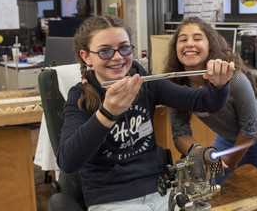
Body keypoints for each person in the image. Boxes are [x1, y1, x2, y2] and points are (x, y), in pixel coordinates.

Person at [56, 15, 235, 211]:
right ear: (86, 56)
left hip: (161, 192)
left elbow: (207, 102)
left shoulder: (145, 82)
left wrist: (219, 84)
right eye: (105, 51)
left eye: (124, 47)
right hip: (111, 200)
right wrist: (107, 114)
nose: (117, 57)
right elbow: (68, 161)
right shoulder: (81, 96)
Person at [164, 17, 257, 191]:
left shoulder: (234, 78)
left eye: (197, 38)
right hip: (227, 141)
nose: (190, 43)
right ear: (175, 48)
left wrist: (231, 161)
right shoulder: (176, 86)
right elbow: (179, 132)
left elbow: (250, 128)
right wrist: (201, 153)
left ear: (210, 45)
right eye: (183, 39)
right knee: (198, 190)